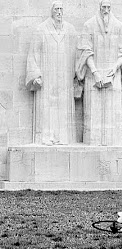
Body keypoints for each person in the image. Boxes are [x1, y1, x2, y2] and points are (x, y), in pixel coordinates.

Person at [75, 0, 122, 146]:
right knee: (94, 113)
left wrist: (115, 68)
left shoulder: (119, 26)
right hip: (93, 75)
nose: (106, 10)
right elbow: (85, 51)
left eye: (108, 7)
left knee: (113, 112)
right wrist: (94, 72)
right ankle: (93, 143)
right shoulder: (89, 25)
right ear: (99, 8)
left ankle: (114, 142)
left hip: (113, 74)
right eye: (103, 7)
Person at [26, 1, 77, 145]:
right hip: (47, 75)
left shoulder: (70, 30)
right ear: (52, 11)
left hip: (64, 76)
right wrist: (36, 75)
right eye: (56, 9)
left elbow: (76, 53)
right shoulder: (41, 29)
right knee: (47, 105)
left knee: (62, 104)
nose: (59, 12)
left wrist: (77, 75)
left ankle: (63, 137)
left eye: (61, 9)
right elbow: (33, 53)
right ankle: (46, 137)